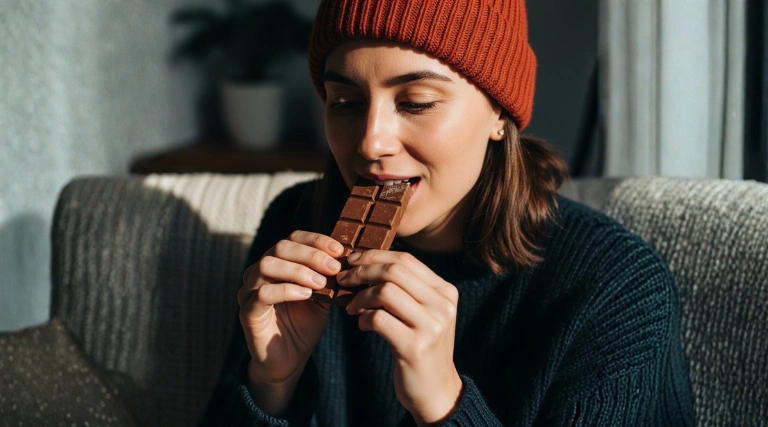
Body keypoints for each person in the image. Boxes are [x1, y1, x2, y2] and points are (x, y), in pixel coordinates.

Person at [201, 0, 695, 425]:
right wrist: (271, 384)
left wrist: (444, 403)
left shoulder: (617, 290)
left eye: (416, 102)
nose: (371, 143)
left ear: (498, 113)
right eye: (345, 101)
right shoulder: (299, 224)